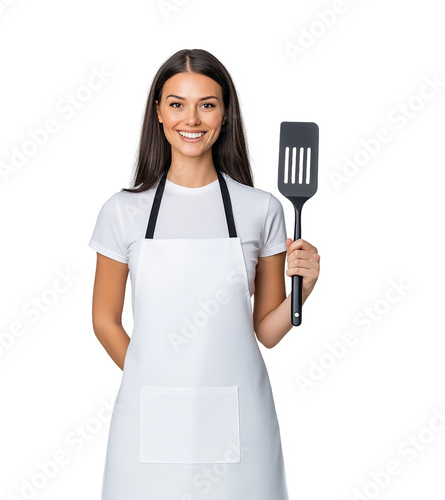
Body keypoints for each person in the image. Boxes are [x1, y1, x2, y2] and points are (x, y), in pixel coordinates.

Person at [89, 48, 320, 500]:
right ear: (157, 112)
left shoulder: (262, 209)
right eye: (177, 103)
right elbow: (104, 320)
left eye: (207, 104)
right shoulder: (123, 212)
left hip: (241, 415)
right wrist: (154, 382)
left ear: (225, 114)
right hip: (149, 416)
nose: (190, 118)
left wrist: (302, 291)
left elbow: (268, 331)